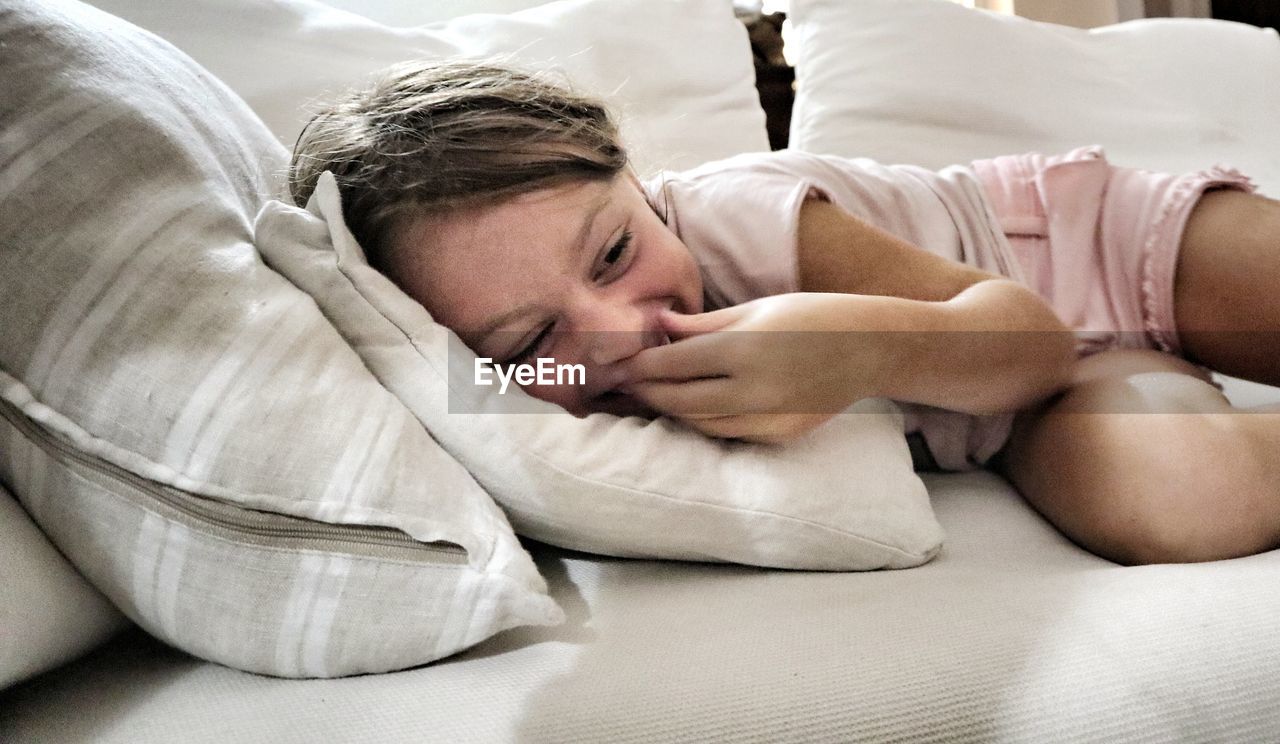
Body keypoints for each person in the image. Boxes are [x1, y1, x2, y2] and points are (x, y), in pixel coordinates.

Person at [288, 60, 1280, 566]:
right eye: (530, 339)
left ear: (635, 182)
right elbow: (1042, 384)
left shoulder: (735, 220)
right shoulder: (495, 396)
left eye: (616, 251)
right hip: (1018, 412)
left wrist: (852, 346)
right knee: (1193, 500)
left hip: (1065, 256)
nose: (616, 327)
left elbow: (1029, 340)